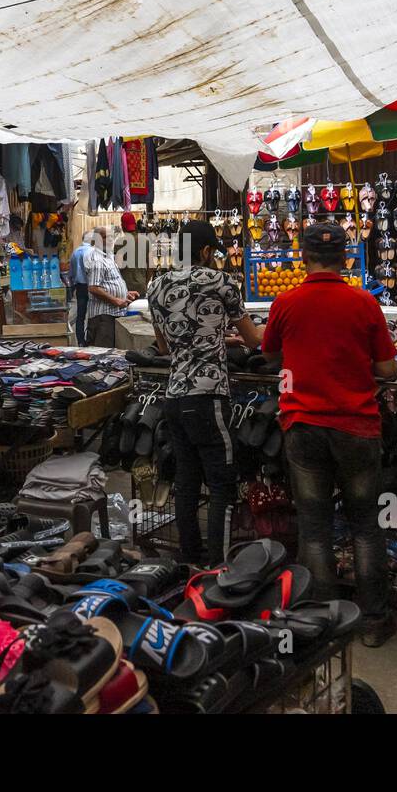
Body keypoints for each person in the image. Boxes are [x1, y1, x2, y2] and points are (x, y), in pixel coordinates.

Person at [261, 222, 397, 647]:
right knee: (365, 526)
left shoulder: (286, 301)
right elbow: (387, 370)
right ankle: (373, 622)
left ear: (304, 257)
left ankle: (323, 622)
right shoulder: (364, 303)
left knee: (315, 528)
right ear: (346, 258)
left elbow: (270, 355)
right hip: (356, 427)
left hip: (303, 427)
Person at [148, 220, 263, 566]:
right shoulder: (223, 282)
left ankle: (189, 559)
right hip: (208, 396)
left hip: (174, 395)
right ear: (203, 251)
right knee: (222, 487)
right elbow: (254, 340)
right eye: (212, 250)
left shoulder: (157, 287)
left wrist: (210, 337)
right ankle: (218, 566)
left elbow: (164, 345)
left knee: (186, 481)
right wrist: (226, 339)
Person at [84, 225, 137, 348]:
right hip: (103, 317)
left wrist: (125, 294)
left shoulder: (108, 257)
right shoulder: (97, 259)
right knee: (103, 354)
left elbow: (110, 282)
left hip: (112, 315)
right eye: (106, 237)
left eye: (111, 237)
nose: (110, 240)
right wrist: (117, 300)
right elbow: (93, 288)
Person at [69, 231, 95, 344]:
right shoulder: (92, 252)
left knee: (81, 315)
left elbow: (71, 272)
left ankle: (80, 340)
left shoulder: (75, 252)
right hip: (91, 286)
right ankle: (90, 338)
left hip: (79, 286)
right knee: (93, 313)